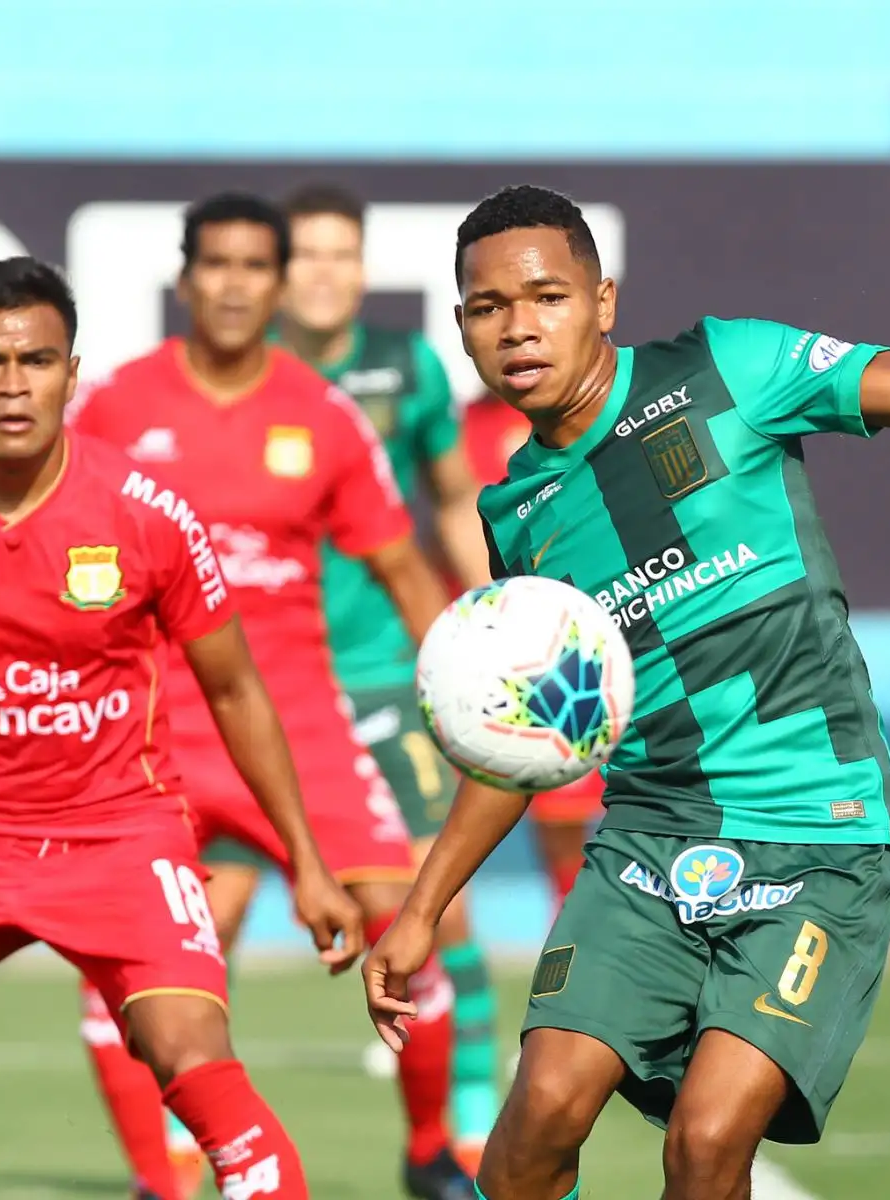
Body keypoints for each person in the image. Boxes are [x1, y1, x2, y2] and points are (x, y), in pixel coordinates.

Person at [356, 183, 890, 1200]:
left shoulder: (731, 367)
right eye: (486, 308)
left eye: (545, 296)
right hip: (649, 838)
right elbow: (535, 731)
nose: (518, 327)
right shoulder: (519, 511)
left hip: (821, 829)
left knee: (707, 1142)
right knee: (531, 1134)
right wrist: (424, 907)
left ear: (603, 300)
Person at [0, 256, 366, 1200]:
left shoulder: (143, 508)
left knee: (194, 1058)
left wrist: (306, 859)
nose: (12, 384)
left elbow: (239, 690)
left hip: (117, 837)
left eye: (36, 361)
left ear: (70, 375)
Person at [68, 192, 476, 1200]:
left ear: (278, 281)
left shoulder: (323, 415)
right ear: (185, 281)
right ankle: (160, 1181)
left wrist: (475, 684)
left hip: (301, 717)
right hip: (159, 730)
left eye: (257, 266)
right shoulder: (118, 407)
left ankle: (430, 1151)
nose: (237, 285)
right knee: (127, 963)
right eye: (218, 265)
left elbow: (404, 570)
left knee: (409, 918)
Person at [178, 178, 499, 1171]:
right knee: (207, 916)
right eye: (304, 255)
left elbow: (450, 506)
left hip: (385, 680)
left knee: (435, 906)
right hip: (253, 691)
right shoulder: (239, 378)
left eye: (341, 255)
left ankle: (461, 1119)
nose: (324, 274)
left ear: (366, 270)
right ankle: (183, 1139)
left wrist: (483, 632)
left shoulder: (405, 370)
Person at [461, 391, 604, 919]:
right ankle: (567, 925)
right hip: (492, 649)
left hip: (577, 640)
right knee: (541, 814)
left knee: (576, 813)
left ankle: (586, 926)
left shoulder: (582, 414)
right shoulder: (461, 428)